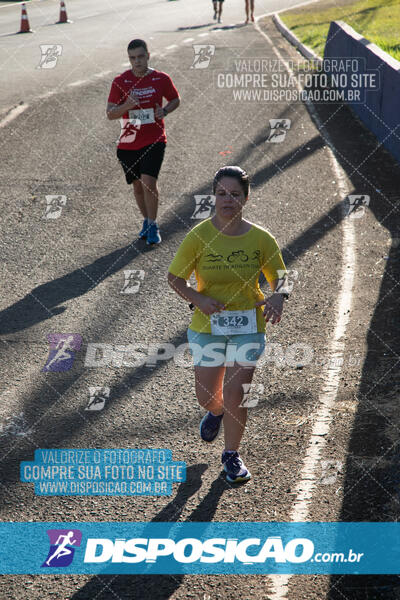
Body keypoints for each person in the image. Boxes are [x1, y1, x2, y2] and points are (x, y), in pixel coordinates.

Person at [168, 166, 289, 483]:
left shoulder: (261, 239)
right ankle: (215, 411)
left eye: (235, 194)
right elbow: (175, 278)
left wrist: (278, 297)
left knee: (238, 392)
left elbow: (282, 278)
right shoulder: (199, 237)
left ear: (246, 198)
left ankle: (231, 456)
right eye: (222, 193)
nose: (228, 200)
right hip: (207, 325)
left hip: (248, 324)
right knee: (208, 396)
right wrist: (199, 298)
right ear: (214, 197)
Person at [107, 39, 180, 245]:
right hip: (128, 142)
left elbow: (175, 99)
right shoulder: (120, 81)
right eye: (132, 58)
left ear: (148, 55)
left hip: (154, 139)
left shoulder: (161, 79)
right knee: (138, 187)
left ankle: (153, 223)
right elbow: (110, 114)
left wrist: (164, 111)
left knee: (149, 183)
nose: (137, 62)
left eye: (140, 57)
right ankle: (146, 221)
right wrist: (127, 105)